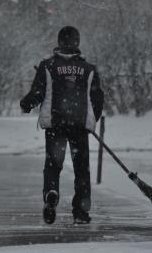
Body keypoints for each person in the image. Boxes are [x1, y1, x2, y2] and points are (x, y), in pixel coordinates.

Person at [20, 26, 104, 224]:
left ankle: (51, 191)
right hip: (79, 125)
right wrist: (91, 121)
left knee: (53, 164)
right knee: (82, 169)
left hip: (55, 124)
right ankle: (81, 212)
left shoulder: (47, 66)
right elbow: (97, 99)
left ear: (59, 42)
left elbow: (38, 93)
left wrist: (26, 104)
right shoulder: (89, 69)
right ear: (77, 42)